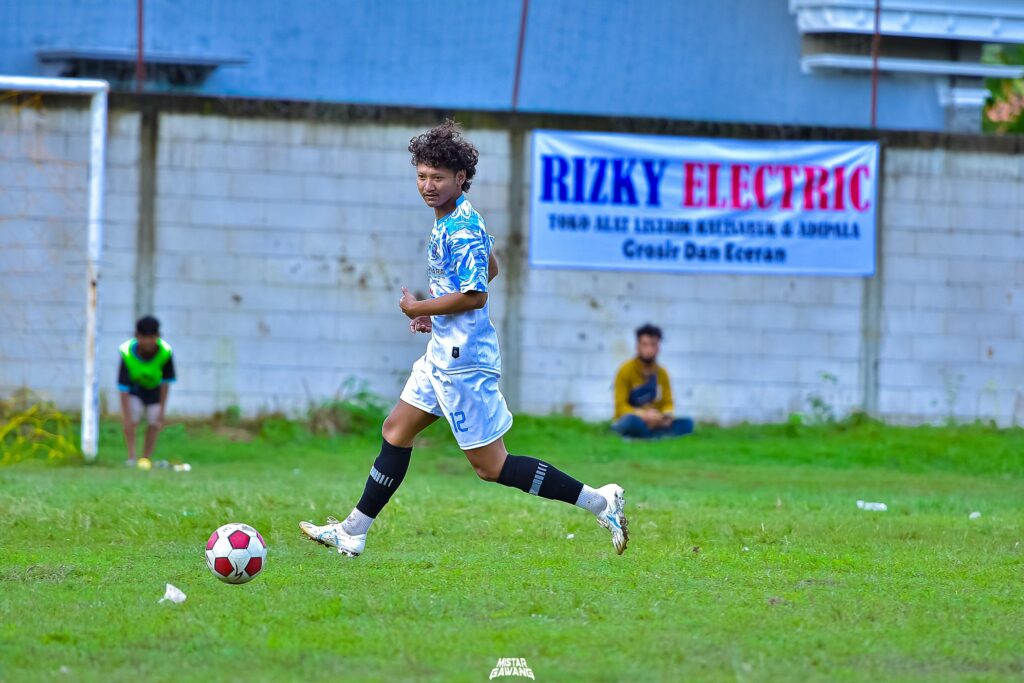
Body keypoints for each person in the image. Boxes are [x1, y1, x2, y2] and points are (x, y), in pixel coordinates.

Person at [300, 121, 629, 556]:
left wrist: (420, 307)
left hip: (463, 362)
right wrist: (436, 316)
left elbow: (476, 294)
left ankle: (601, 502)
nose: (428, 185)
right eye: (422, 176)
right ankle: (353, 531)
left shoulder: (462, 227)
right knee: (396, 430)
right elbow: (490, 267)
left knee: (491, 467)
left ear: (460, 177)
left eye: (438, 177)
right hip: (443, 351)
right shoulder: (452, 219)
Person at [612, 324, 694, 440]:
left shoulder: (662, 373)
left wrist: (665, 416)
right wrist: (643, 415)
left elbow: (668, 403)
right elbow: (620, 406)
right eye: (644, 344)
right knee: (631, 422)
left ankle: (645, 436)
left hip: (656, 422)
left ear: (658, 347)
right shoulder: (625, 370)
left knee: (688, 423)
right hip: (634, 419)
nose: (649, 349)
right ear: (637, 347)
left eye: (653, 345)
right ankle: (655, 436)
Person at [117, 315, 175, 468]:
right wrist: (126, 415)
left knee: (154, 421)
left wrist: (162, 409)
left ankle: (146, 457)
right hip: (135, 389)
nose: (148, 342)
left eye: (152, 337)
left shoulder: (165, 352)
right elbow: (123, 387)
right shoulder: (127, 352)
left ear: (158, 336)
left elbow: (166, 382)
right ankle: (131, 457)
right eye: (144, 337)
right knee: (132, 419)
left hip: (154, 390)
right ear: (137, 336)